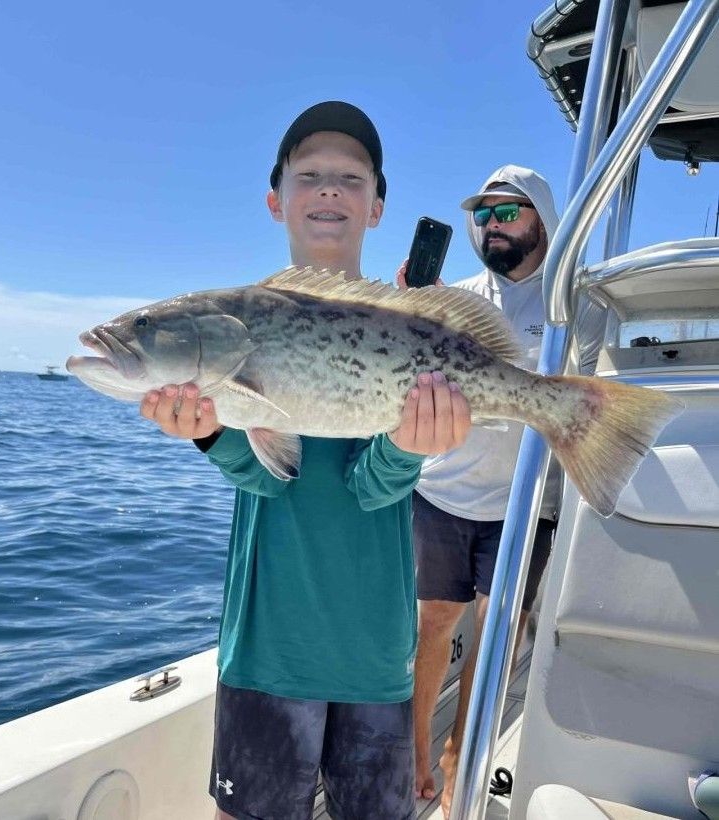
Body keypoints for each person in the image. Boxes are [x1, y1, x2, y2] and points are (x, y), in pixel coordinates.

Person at [140, 101, 472, 820]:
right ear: (276, 200)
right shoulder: (237, 323)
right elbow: (270, 476)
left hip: (377, 655)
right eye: (309, 175)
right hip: (267, 649)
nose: (328, 190)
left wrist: (407, 448)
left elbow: (373, 488)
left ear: (376, 207)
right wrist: (211, 435)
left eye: (350, 178)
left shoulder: (409, 325)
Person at [399, 164, 605, 818]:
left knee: (496, 633)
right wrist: (411, 310)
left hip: (525, 504)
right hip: (441, 493)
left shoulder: (576, 304)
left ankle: (461, 749)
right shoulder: (454, 297)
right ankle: (412, 745)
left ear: (543, 218)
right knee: (432, 623)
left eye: (507, 212)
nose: (491, 225)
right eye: (482, 214)